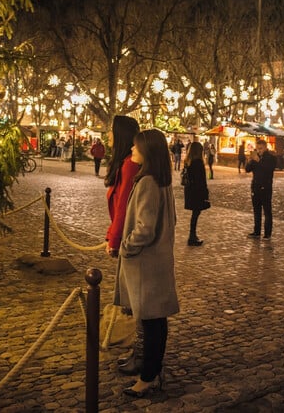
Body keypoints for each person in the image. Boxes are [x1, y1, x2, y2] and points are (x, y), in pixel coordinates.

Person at [113, 128, 179, 398]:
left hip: (145, 265)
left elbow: (145, 228)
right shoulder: (161, 180)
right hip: (157, 263)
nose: (131, 151)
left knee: (152, 324)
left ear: (148, 152)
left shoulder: (148, 182)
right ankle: (153, 371)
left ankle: (148, 377)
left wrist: (126, 246)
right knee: (156, 322)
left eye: (136, 147)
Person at [103, 115, 142, 375]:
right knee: (130, 297)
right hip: (125, 238)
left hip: (129, 240)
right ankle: (137, 349)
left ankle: (140, 352)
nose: (107, 135)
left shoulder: (129, 166)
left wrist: (113, 240)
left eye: (110, 131)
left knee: (134, 298)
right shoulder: (124, 164)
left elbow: (123, 208)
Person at [245, 138, 277, 241]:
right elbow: (247, 169)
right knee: (256, 210)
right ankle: (256, 231)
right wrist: (249, 161)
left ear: (265, 148)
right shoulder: (255, 158)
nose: (259, 150)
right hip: (255, 187)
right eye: (257, 149)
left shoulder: (270, 158)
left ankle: (267, 233)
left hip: (266, 187)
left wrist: (258, 160)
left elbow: (268, 169)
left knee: (267, 211)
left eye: (261, 148)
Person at [183, 141, 209, 246]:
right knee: (196, 214)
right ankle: (192, 236)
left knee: (195, 214)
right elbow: (201, 181)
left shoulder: (188, 162)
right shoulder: (198, 163)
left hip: (190, 191)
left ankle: (192, 235)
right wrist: (205, 193)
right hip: (197, 192)